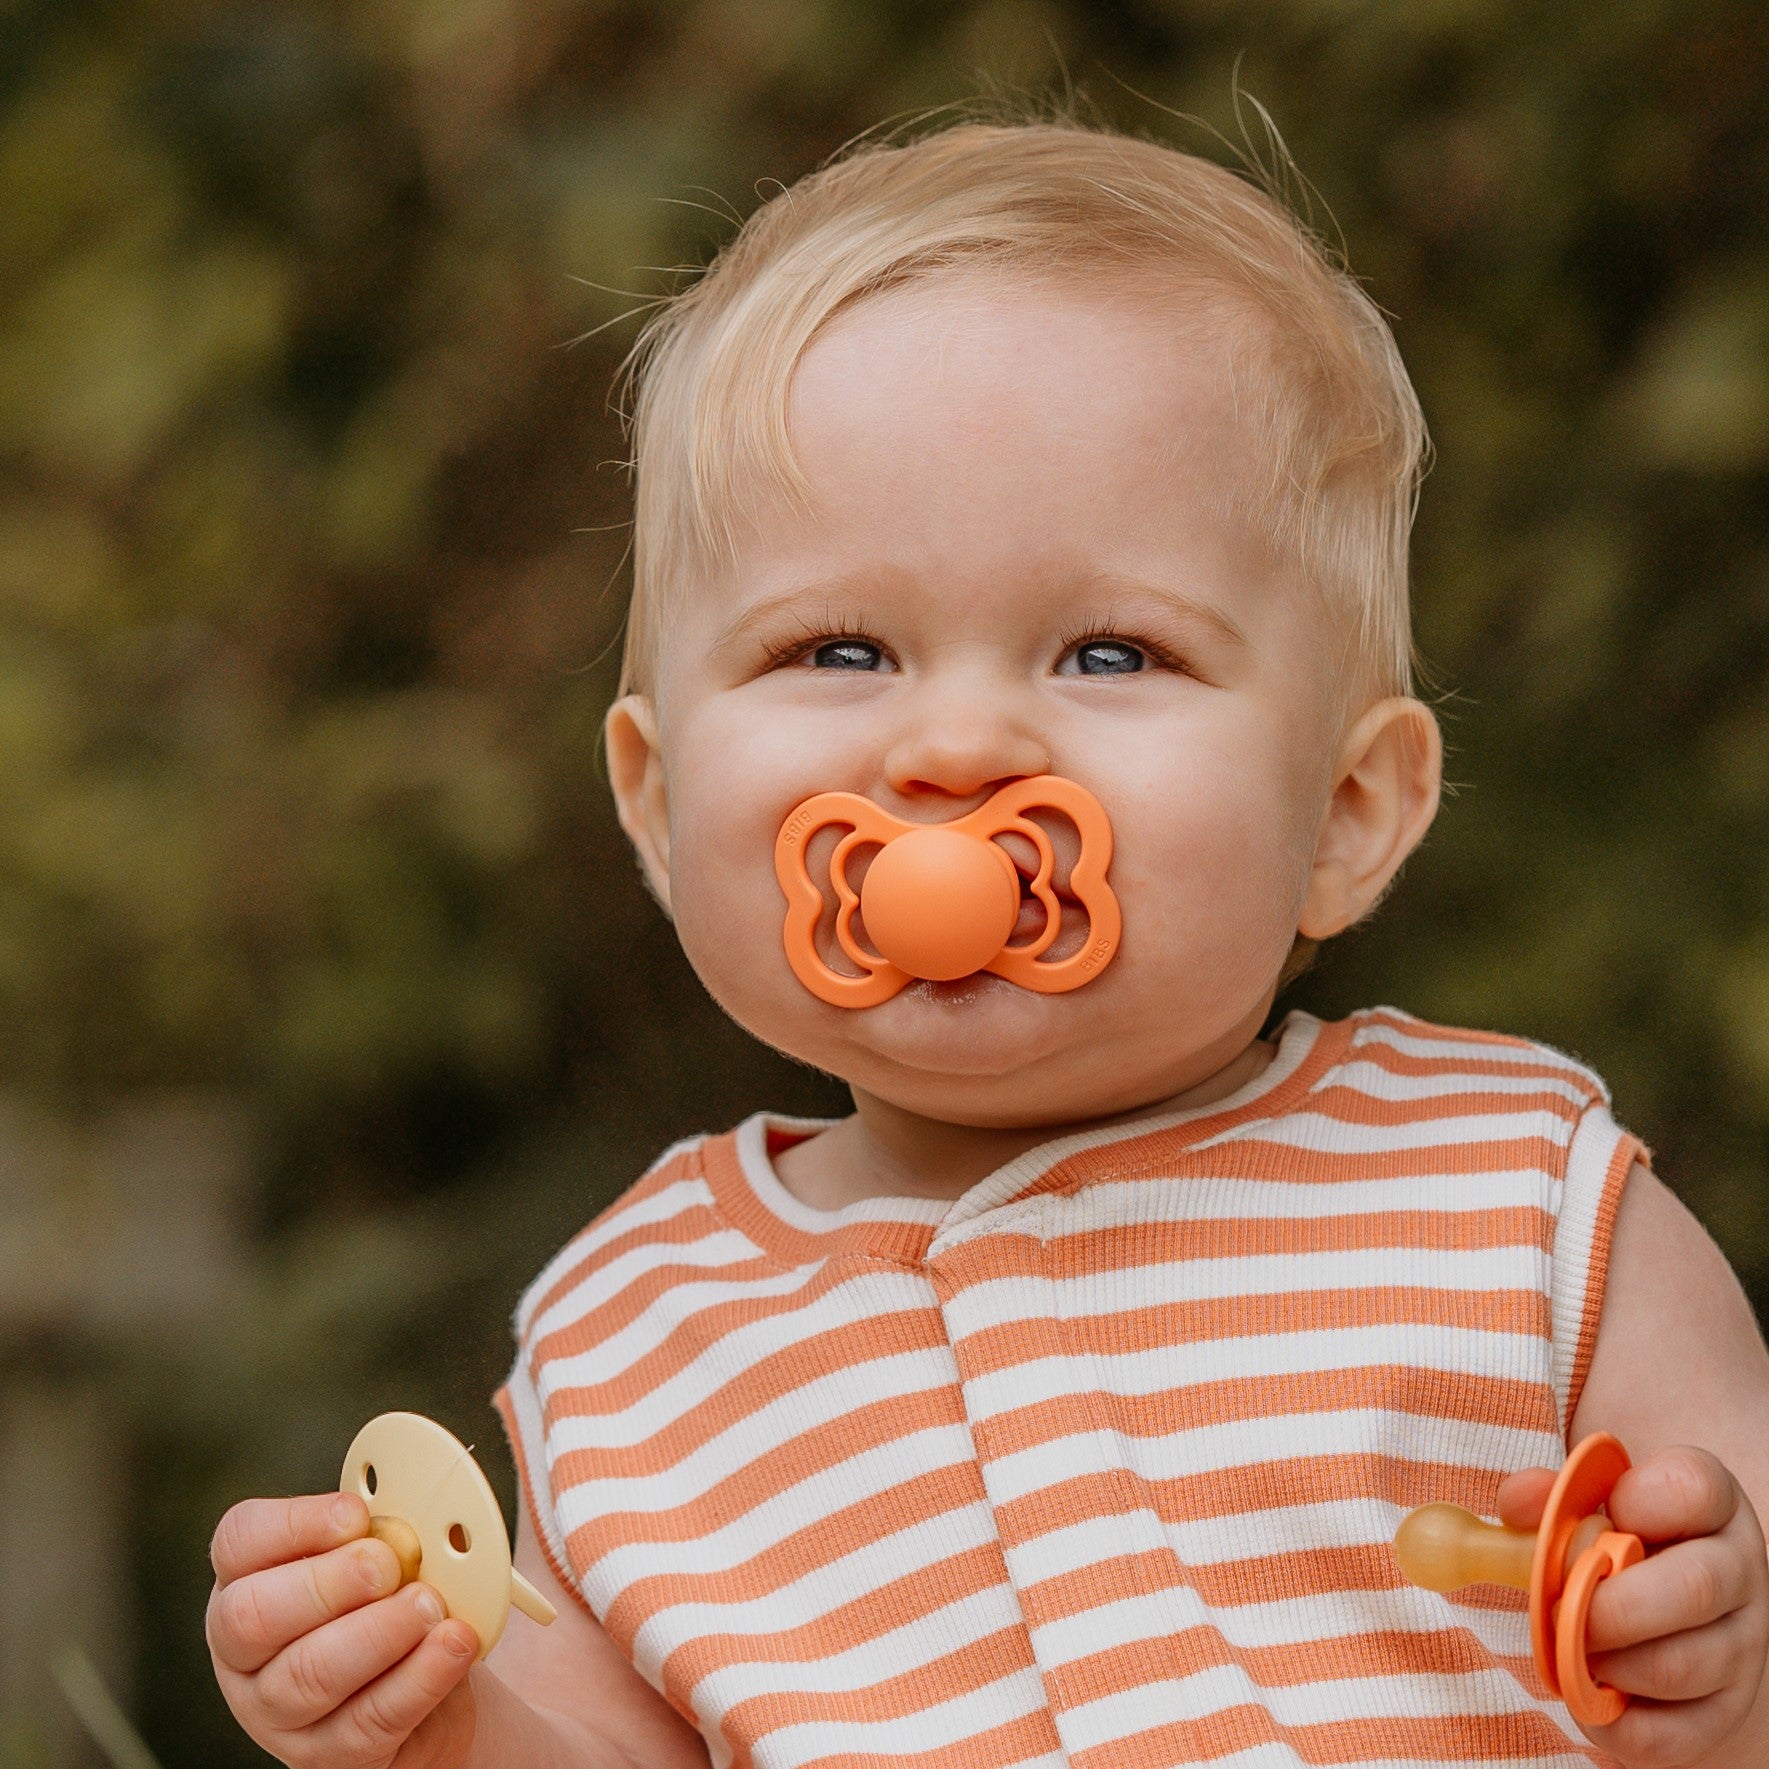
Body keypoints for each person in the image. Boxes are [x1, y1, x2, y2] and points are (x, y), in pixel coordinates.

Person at [205, 111, 1769, 1769]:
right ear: (660, 807)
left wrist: (1716, 1669)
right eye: (839, 646)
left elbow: (1721, 1593)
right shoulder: (631, 1343)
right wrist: (427, 1717)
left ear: (1345, 811)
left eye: (1106, 655)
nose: (952, 748)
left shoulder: (1509, 1200)